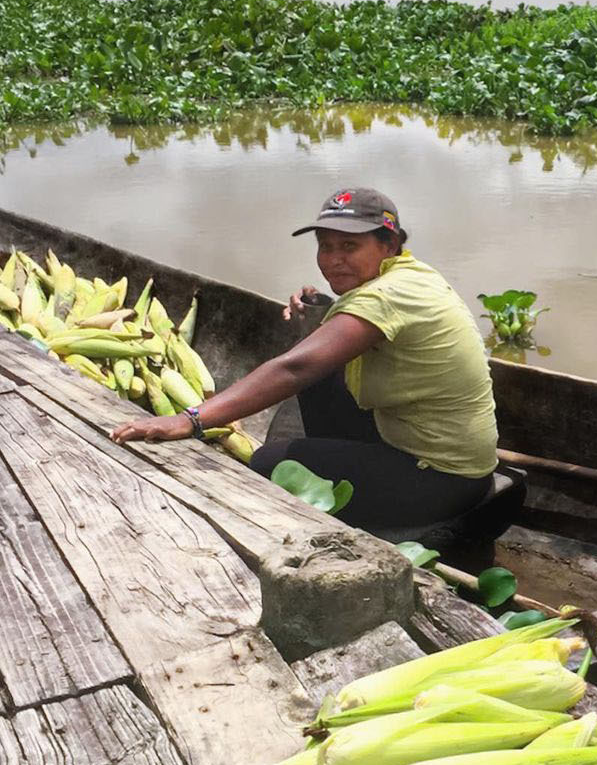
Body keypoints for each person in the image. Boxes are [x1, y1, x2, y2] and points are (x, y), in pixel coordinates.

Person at [111, 187, 498, 532]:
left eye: (350, 247)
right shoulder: (410, 275)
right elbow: (341, 342)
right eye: (325, 246)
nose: (333, 260)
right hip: (430, 450)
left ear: (389, 244)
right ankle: (335, 466)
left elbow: (295, 368)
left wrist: (189, 419)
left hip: (442, 479)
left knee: (270, 463)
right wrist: (322, 310)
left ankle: (336, 500)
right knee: (323, 376)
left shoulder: (385, 296)